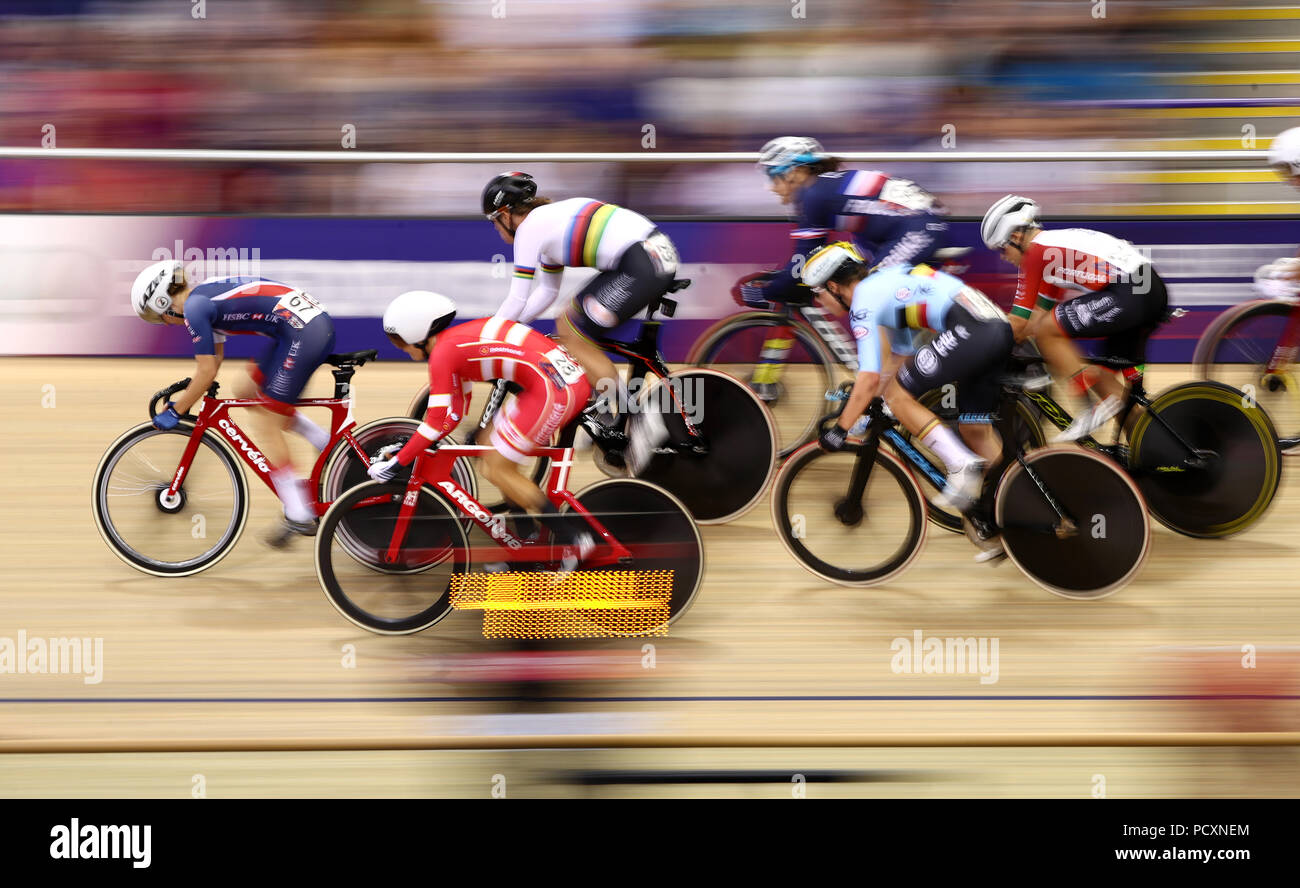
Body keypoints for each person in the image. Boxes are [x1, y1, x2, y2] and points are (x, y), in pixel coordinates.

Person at [367, 290, 595, 569]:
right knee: (488, 444)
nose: (399, 347)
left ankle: (573, 538)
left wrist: (399, 461)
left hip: (553, 389)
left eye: (399, 340)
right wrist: (410, 448)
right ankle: (525, 549)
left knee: (496, 468)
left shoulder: (443, 353)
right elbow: (453, 415)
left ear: (416, 333)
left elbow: (436, 422)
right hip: (555, 382)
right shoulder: (452, 346)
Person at [803, 242, 1012, 534]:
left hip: (970, 329)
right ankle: (1014, 506)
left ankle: (960, 463)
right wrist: (861, 412)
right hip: (994, 327)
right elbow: (899, 360)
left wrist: (840, 428)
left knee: (898, 396)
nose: (817, 302)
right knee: (975, 431)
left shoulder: (863, 302)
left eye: (817, 292)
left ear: (835, 286)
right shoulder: (883, 284)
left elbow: (870, 378)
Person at [481, 171, 680, 470]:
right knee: (572, 326)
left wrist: (490, 333)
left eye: (493, 221)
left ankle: (639, 421)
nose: (496, 230)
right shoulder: (547, 226)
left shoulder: (530, 228)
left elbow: (518, 297)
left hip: (642, 261)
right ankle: (606, 415)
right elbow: (547, 292)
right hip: (649, 255)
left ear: (506, 214)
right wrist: (514, 325)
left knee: (572, 330)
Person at [130, 260, 337, 544]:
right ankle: (323, 441)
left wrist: (177, 409)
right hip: (299, 329)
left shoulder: (193, 309)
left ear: (163, 301)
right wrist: (187, 396)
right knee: (245, 389)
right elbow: (212, 366)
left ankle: (299, 510)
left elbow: (205, 373)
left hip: (303, 331)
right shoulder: (201, 298)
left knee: (267, 421)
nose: (165, 322)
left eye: (159, 317)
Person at [980, 194, 1169, 442]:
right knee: (1104, 381)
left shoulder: (1036, 253)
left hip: (1131, 291)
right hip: (1145, 289)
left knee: (1048, 329)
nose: (1004, 257)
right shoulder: (1052, 251)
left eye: (1002, 249)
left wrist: (980, 342)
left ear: (1015, 237)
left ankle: (1085, 406)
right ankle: (1148, 447)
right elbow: (1033, 319)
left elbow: (1019, 324)